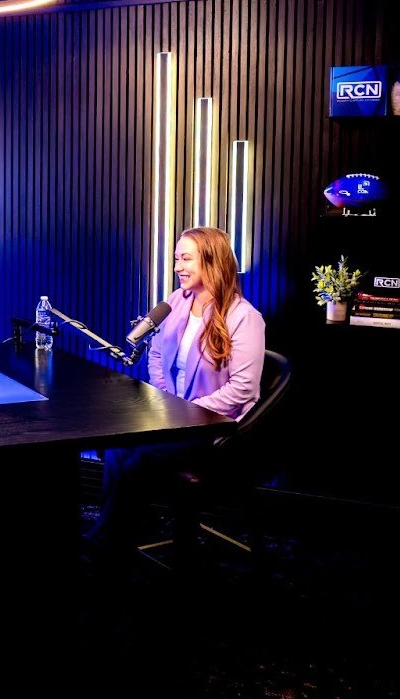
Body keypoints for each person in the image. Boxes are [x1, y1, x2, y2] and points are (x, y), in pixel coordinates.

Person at [84, 226, 267, 562]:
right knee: (116, 443)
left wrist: (187, 411)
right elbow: (156, 355)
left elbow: (243, 389)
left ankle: (106, 539)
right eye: (175, 259)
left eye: (186, 259)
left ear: (211, 261)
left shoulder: (245, 317)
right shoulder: (175, 302)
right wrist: (167, 400)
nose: (177, 267)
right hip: (173, 417)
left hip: (215, 430)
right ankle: (120, 531)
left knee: (135, 453)